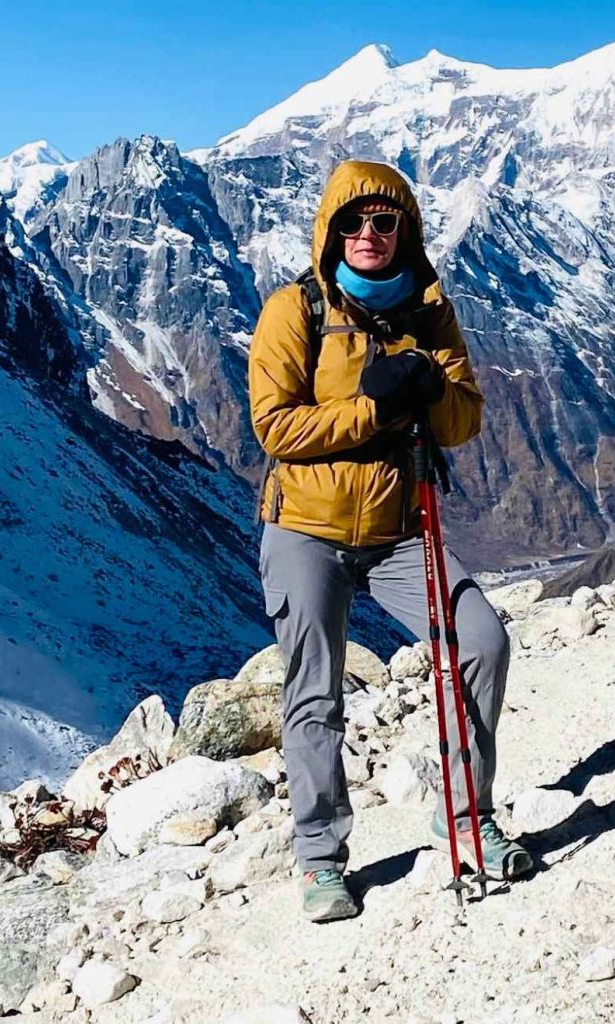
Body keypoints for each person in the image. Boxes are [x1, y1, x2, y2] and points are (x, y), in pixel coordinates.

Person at [248, 159, 532, 923]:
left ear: (404, 230)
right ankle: (319, 859)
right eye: (353, 222)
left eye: (383, 222)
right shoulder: (295, 310)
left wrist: (432, 389)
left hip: (401, 527)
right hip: (305, 528)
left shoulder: (430, 313)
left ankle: (468, 818)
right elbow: (274, 426)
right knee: (315, 693)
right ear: (331, 230)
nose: (368, 235)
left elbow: (464, 422)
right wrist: (372, 413)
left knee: (480, 641)